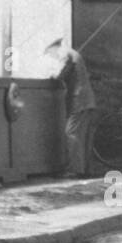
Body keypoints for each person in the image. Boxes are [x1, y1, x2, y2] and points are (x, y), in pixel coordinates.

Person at [45, 39, 96, 176]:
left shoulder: (65, 54)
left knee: (71, 134)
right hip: (87, 99)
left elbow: (60, 74)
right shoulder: (73, 53)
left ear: (54, 49)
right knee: (82, 136)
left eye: (50, 54)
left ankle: (75, 171)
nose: (52, 57)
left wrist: (52, 75)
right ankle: (85, 170)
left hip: (79, 100)